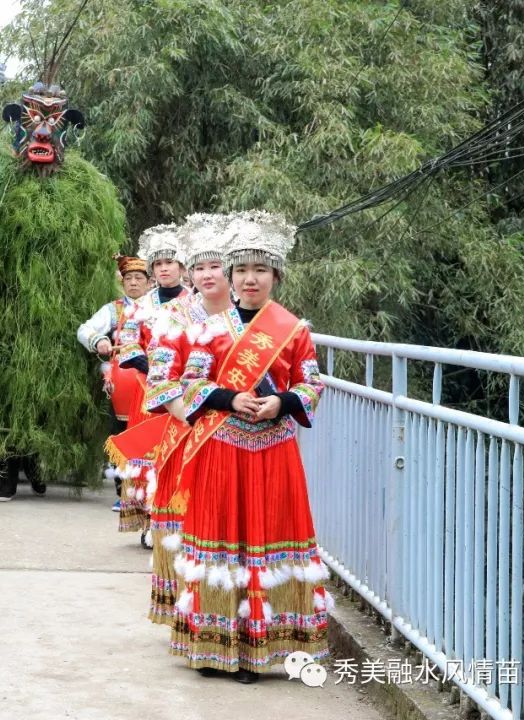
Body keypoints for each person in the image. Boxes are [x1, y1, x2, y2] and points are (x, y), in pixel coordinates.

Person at [169, 210, 330, 683]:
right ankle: (215, 647)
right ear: (230, 276)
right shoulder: (209, 328)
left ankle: (260, 649)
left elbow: (312, 384)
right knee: (224, 542)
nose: (250, 278)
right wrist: (229, 397)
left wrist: (280, 402)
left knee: (265, 540)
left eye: (260, 270)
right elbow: (191, 384)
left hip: (274, 449)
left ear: (275, 275)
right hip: (224, 448)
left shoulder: (293, 330)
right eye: (241, 270)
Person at [140, 213, 234, 625]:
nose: (207, 274)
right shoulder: (175, 316)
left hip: (239, 436)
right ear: (189, 272)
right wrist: (194, 418)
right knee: (187, 523)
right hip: (188, 433)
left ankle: (226, 613)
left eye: (216, 265)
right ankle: (189, 611)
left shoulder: (254, 317)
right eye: (199, 266)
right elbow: (161, 379)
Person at [113, 224, 189, 541]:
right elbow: (127, 341)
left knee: (178, 455)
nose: (164, 269)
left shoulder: (196, 302)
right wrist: (147, 364)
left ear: (182, 267)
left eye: (170, 262)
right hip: (147, 391)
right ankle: (148, 521)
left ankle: (179, 518)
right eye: (158, 264)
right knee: (147, 457)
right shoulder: (142, 305)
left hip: (184, 393)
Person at [77, 254, 149, 510]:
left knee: (150, 435)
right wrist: (99, 341)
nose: (133, 283)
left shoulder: (160, 307)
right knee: (122, 435)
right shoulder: (113, 309)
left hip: (154, 379)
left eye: (139, 278)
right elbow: (84, 329)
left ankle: (150, 492)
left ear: (148, 283)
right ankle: (124, 492)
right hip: (123, 384)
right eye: (128, 278)